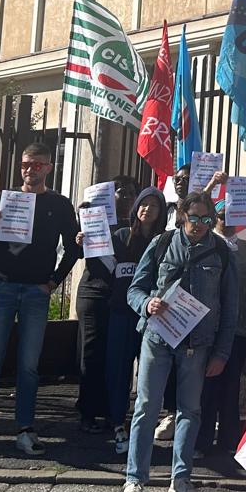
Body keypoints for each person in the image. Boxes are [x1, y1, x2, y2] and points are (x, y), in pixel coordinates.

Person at [0, 141, 81, 460]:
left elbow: (74, 248)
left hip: (35, 293)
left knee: (29, 365)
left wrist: (53, 282)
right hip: (1, 289)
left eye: (37, 165)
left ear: (49, 168)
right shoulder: (4, 198)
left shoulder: (60, 204)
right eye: (26, 164)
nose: (30, 170)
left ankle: (25, 429)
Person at [123, 190, 239, 492]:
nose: (199, 224)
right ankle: (135, 479)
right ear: (183, 215)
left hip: (197, 344)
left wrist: (222, 353)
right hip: (157, 338)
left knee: (190, 411)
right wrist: (147, 304)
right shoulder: (161, 243)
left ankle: (181, 478)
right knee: (146, 408)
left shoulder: (222, 252)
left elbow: (231, 308)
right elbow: (134, 290)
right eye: (194, 217)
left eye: (206, 219)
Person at [196, 173, 246, 471]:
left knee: (232, 384)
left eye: (234, 215)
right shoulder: (208, 243)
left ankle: (229, 440)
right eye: (223, 215)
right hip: (211, 327)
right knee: (209, 385)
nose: (228, 220)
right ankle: (202, 440)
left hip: (240, 326)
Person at [106, 187, 167, 455]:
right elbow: (102, 266)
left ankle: (142, 428)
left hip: (150, 317)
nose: (147, 209)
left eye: (154, 205)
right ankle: (118, 423)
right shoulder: (121, 236)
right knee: (118, 369)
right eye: (144, 204)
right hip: (121, 312)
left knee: (147, 375)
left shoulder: (164, 241)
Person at [75, 180, 123, 437]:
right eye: (121, 193)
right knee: (91, 354)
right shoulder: (92, 219)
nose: (126, 198)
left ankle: (107, 410)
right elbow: (75, 251)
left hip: (118, 297)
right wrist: (81, 222)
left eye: (131, 193)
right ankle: (87, 412)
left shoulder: (133, 226)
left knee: (112, 355)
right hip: (93, 294)